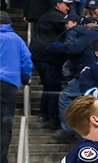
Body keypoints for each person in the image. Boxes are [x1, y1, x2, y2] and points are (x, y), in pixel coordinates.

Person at [0, 11, 32, 163]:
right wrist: (25, 79)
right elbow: (27, 62)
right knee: (4, 126)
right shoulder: (17, 39)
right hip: (8, 86)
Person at [30, 0, 68, 130]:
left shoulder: (46, 16)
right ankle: (52, 117)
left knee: (48, 85)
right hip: (49, 56)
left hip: (40, 55)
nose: (68, 8)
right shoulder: (56, 16)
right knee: (53, 86)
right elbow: (68, 27)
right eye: (65, 5)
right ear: (58, 5)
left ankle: (44, 112)